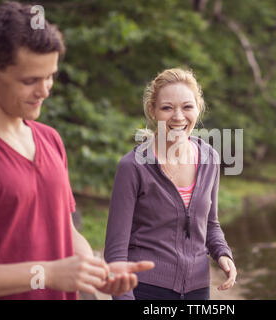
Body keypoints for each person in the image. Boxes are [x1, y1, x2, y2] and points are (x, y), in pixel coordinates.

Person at [0, 1, 153, 300]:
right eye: (30, 81)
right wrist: (46, 274)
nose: (44, 90)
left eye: (50, 76)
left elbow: (64, 228)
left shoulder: (50, 139)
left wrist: (98, 272)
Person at [104, 68, 237, 300]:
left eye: (187, 107)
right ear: (152, 110)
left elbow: (210, 224)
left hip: (198, 289)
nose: (178, 116)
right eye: (167, 108)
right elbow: (116, 252)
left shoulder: (210, 159)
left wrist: (223, 254)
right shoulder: (133, 167)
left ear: (198, 109)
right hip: (146, 288)